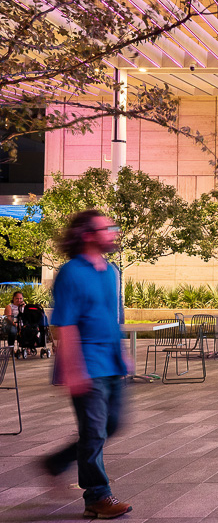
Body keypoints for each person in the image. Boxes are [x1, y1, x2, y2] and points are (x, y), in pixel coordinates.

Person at [41, 210, 133, 518]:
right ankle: (97, 496)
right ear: (88, 235)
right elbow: (65, 324)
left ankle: (56, 462)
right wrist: (73, 369)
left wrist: (123, 353)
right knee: (94, 432)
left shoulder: (111, 271)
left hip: (111, 362)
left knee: (112, 424)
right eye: (107, 228)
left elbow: (113, 318)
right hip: (86, 363)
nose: (114, 232)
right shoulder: (71, 273)